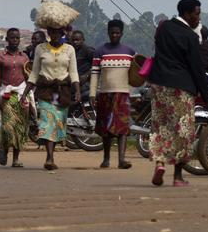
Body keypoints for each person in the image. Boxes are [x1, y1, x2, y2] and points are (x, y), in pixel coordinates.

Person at [148, 0, 208, 187]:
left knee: (161, 126)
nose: (198, 18)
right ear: (187, 14)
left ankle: (159, 163)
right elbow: (196, 67)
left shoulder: (164, 27)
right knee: (183, 131)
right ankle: (177, 176)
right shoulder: (190, 37)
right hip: (181, 88)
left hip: (159, 85)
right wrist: (206, 96)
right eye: (196, 13)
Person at [21, 27, 79, 170]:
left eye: (57, 33)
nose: (54, 36)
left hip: (62, 91)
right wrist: (25, 93)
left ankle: (51, 153)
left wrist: (77, 90)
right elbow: (34, 73)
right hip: (45, 90)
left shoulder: (69, 49)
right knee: (47, 121)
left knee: (58, 122)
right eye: (51, 33)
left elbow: (73, 72)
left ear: (62, 34)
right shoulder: (40, 49)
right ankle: (49, 158)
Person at [89, 20, 137, 169]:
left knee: (122, 127)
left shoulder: (130, 52)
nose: (114, 35)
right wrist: (92, 93)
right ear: (108, 33)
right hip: (104, 94)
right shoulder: (100, 52)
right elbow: (95, 74)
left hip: (123, 94)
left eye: (117, 33)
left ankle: (122, 159)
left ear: (122, 34)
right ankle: (106, 158)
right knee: (106, 129)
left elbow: (136, 74)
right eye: (112, 33)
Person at [0, 28, 31, 167]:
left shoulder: (24, 57)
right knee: (8, 126)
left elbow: (28, 77)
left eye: (17, 38)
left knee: (20, 126)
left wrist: (28, 94)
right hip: (7, 95)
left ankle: (16, 159)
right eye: (12, 38)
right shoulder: (0, 56)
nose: (15, 40)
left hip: (21, 94)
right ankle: (3, 148)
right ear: (7, 39)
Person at [70, 30, 95, 101]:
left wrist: (86, 75)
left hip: (85, 83)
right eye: (73, 40)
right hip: (74, 82)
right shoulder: (71, 50)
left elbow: (98, 65)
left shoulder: (88, 50)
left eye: (77, 40)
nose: (75, 42)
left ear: (83, 40)